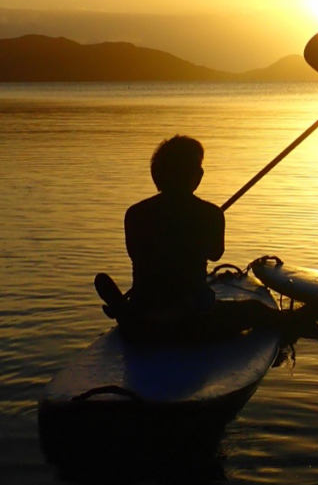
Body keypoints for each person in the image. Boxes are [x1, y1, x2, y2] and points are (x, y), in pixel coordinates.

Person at [95, 135, 225, 335]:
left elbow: (135, 255)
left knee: (103, 281)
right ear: (196, 175)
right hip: (193, 318)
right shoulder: (211, 214)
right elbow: (216, 254)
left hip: (145, 311)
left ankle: (126, 311)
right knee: (255, 311)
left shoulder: (135, 214)